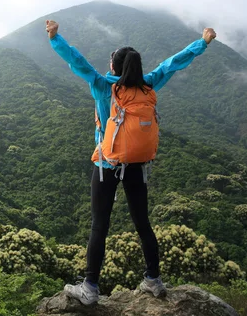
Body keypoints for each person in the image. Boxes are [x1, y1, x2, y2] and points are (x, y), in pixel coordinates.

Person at [45, 19, 217, 304]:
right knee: (143, 224)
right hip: (137, 165)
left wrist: (55, 38)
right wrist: (203, 42)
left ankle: (89, 288)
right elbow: (173, 63)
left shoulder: (103, 86)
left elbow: (79, 63)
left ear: (114, 67)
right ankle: (154, 279)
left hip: (107, 165)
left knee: (99, 225)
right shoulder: (148, 84)